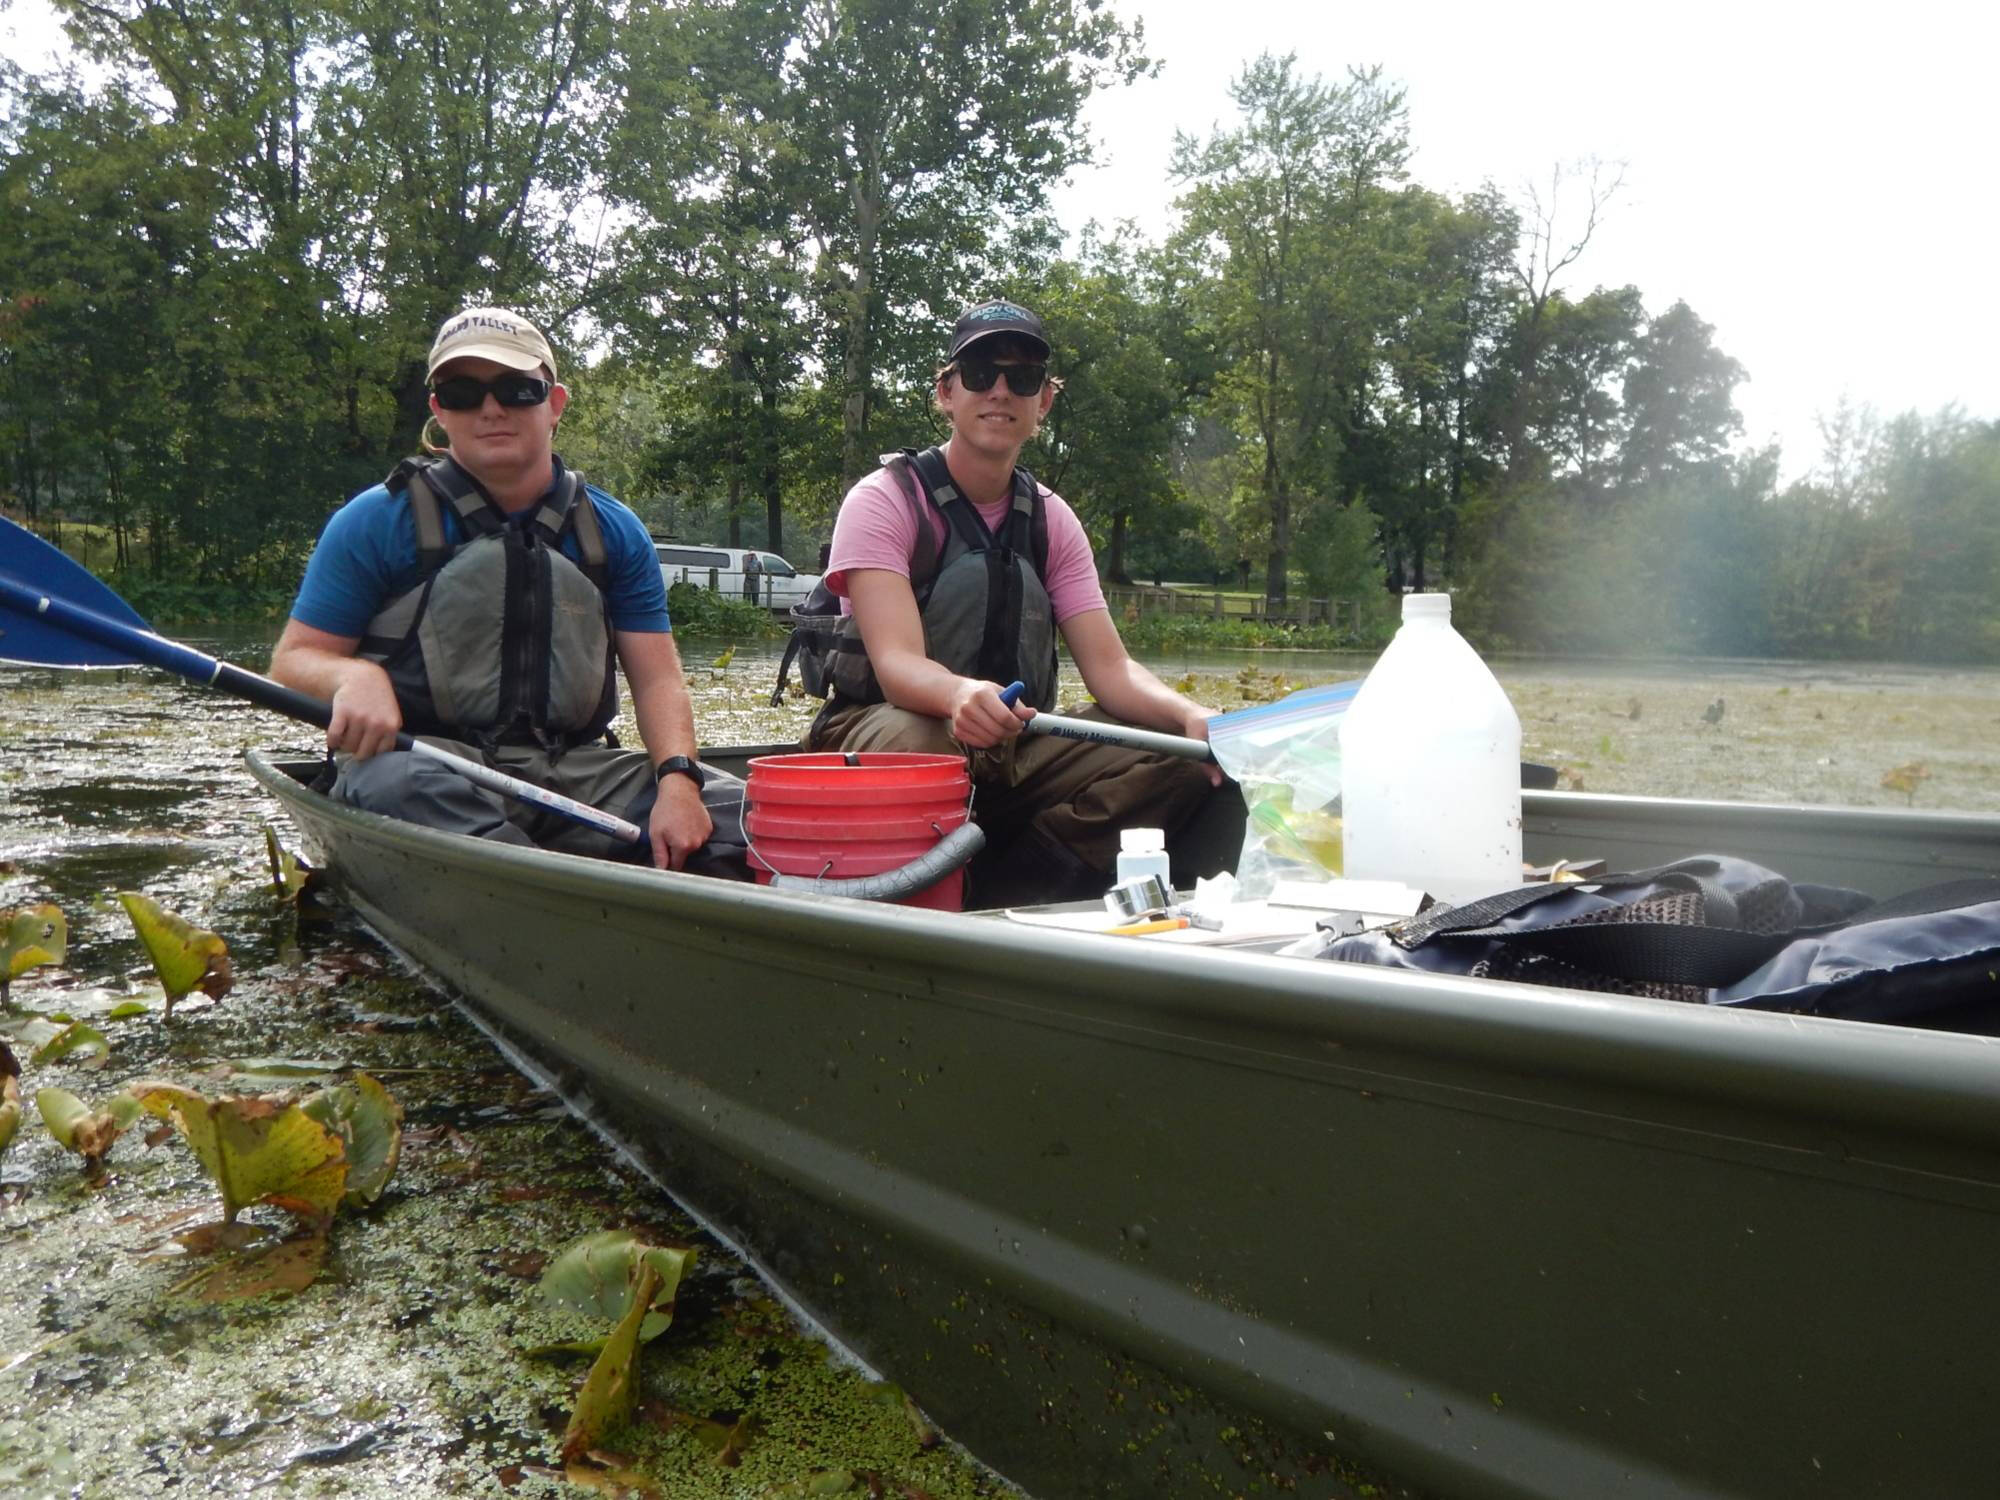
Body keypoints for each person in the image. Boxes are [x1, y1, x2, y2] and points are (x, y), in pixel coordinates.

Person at [270, 306, 739, 873]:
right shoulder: (375, 520)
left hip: (572, 773)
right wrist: (352, 675)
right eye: (463, 391)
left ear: (554, 404)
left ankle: (555, 867)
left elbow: (659, 680)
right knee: (392, 780)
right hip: (427, 764)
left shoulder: (612, 532)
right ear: (439, 410)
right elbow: (295, 659)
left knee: (753, 813)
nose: (491, 409)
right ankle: (557, 885)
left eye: (518, 389)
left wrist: (679, 782)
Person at [797, 297, 1220, 905]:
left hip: (1009, 742)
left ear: (1043, 401)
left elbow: (1111, 669)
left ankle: (1020, 884)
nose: (1000, 391)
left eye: (1022, 378)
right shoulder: (884, 500)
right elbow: (895, 666)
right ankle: (932, 895)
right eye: (979, 374)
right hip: (887, 730)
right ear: (946, 392)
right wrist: (961, 695)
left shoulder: (1053, 520)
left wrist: (1187, 717)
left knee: (1175, 755)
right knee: (928, 746)